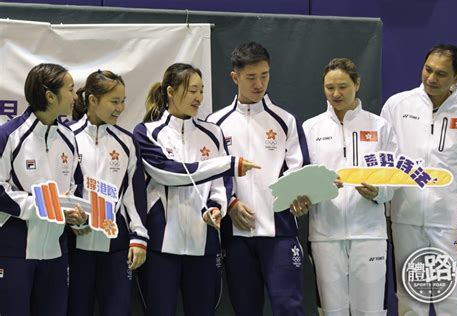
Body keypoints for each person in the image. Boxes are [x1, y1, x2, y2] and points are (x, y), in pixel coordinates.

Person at [133, 63, 260, 316]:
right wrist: (228, 163)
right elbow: (168, 172)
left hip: (204, 244)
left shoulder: (212, 133)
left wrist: (215, 208)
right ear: (171, 91)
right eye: (192, 91)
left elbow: (222, 185)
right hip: (161, 246)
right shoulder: (146, 132)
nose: (199, 98)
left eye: (201, 91)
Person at [207, 42, 310, 316]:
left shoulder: (285, 120)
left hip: (280, 232)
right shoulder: (215, 123)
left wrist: (301, 197)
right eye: (251, 77)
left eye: (264, 75)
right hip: (236, 235)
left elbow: (298, 171)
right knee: (245, 309)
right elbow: (211, 176)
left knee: (289, 308)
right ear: (235, 77)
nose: (259, 84)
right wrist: (229, 205)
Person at [381, 44, 457, 315]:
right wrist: (386, 214)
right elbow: (386, 162)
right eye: (428, 69)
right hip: (405, 219)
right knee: (410, 301)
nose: (431, 78)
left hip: (448, 225)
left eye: (441, 74)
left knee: (451, 302)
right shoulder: (397, 105)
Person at [301, 58, 397, 315]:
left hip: (369, 234)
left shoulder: (380, 127)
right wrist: (311, 190)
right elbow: (300, 179)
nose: (335, 94)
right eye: (329, 87)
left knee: (371, 310)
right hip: (324, 235)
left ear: (357, 84)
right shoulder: (310, 128)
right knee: (332, 310)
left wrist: (379, 192)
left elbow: (395, 179)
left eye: (343, 86)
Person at [0, 63, 86, 315]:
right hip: (14, 251)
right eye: (70, 89)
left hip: (56, 254)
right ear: (50, 96)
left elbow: (74, 188)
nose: (74, 96)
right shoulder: (9, 135)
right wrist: (46, 206)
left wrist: (77, 217)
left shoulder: (69, 138)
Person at [67, 70, 149, 316]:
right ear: (92, 100)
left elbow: (133, 196)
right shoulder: (66, 136)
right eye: (114, 101)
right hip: (74, 245)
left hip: (116, 246)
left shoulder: (127, 141)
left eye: (123, 101)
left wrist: (139, 237)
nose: (121, 108)